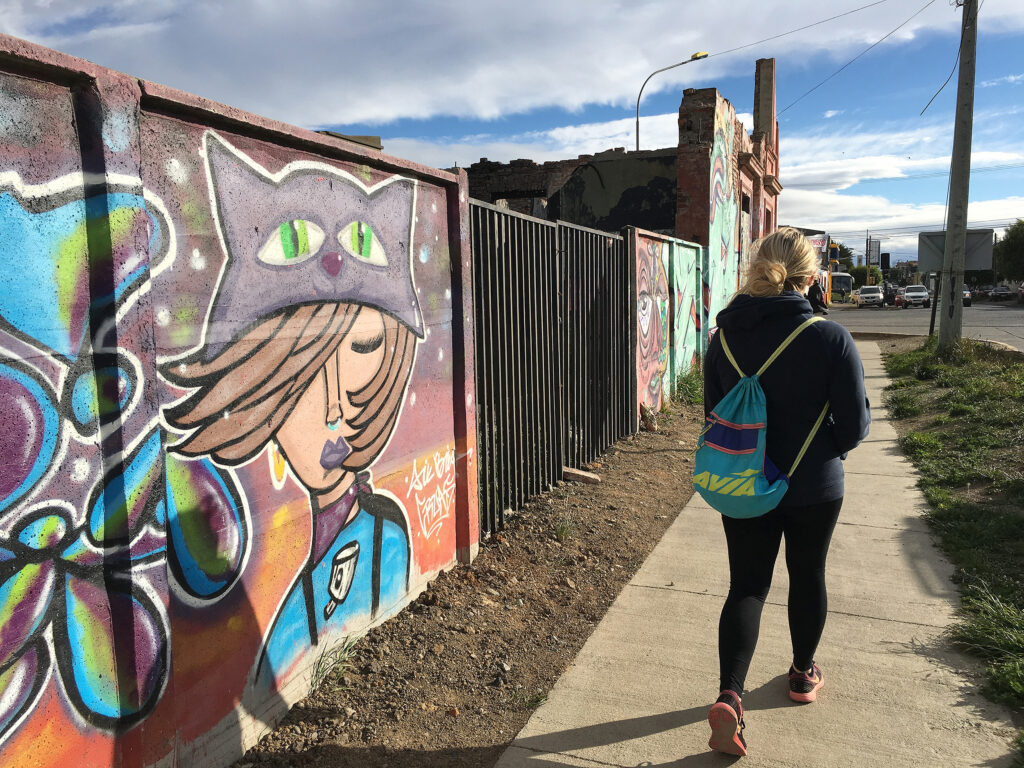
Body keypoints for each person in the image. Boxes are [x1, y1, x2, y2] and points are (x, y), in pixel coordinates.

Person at [702, 227, 870, 757]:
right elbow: (856, 425)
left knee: (747, 586)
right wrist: (823, 449)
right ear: (810, 275)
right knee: (807, 575)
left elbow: (713, 412)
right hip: (814, 486)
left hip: (744, 482)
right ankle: (801, 675)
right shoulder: (828, 337)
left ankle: (730, 694)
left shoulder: (723, 336)